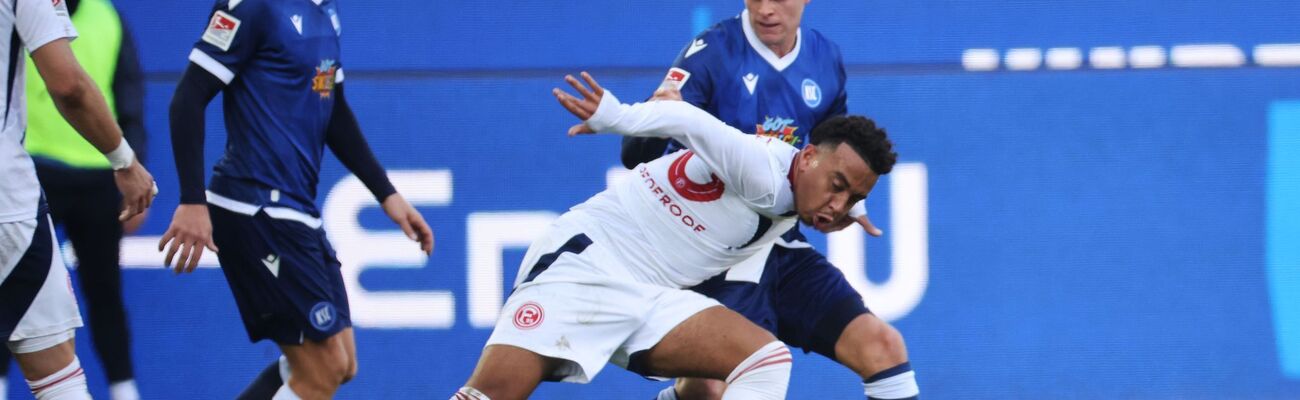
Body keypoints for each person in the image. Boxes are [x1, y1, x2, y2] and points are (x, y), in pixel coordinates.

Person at [451, 72, 896, 400]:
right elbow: (688, 120)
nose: (838, 204)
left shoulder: (811, 184)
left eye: (852, 195)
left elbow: (840, 188)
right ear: (809, 155)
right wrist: (617, 116)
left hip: (647, 295)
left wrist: (852, 203)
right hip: (582, 266)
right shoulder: (760, 170)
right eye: (837, 187)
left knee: (765, 359)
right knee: (488, 396)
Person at [621, 1, 920, 399]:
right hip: (717, 250)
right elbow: (635, 154)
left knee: (882, 347)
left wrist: (851, 204)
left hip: (781, 245)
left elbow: (835, 148)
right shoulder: (712, 52)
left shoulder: (824, 57)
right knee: (710, 386)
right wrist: (653, 122)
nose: (766, 9)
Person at [159, 0, 434, 399]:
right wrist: (191, 199)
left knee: (342, 364)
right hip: (255, 207)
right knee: (321, 372)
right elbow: (188, 96)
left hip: (296, 210)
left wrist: (386, 194)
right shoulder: (252, 7)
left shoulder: (327, 12)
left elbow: (333, 110)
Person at [0, 0, 156, 397]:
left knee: (103, 294)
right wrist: (127, 162)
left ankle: (125, 390)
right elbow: (70, 86)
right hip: (19, 185)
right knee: (56, 370)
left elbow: (128, 92)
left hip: (89, 181)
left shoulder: (108, 17)